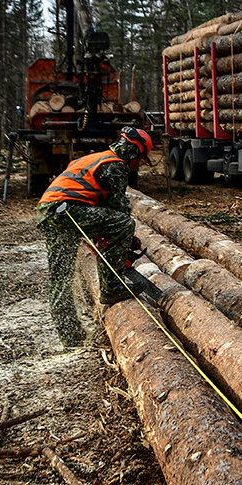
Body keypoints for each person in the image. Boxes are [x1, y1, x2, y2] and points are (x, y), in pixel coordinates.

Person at [36, 127, 153, 347]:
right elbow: (118, 210)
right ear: (134, 151)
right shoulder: (116, 165)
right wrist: (126, 238)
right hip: (68, 210)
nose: (138, 164)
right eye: (140, 159)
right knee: (123, 223)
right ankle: (111, 287)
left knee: (60, 278)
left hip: (51, 211)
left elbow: (96, 204)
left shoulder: (95, 158)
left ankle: (71, 338)